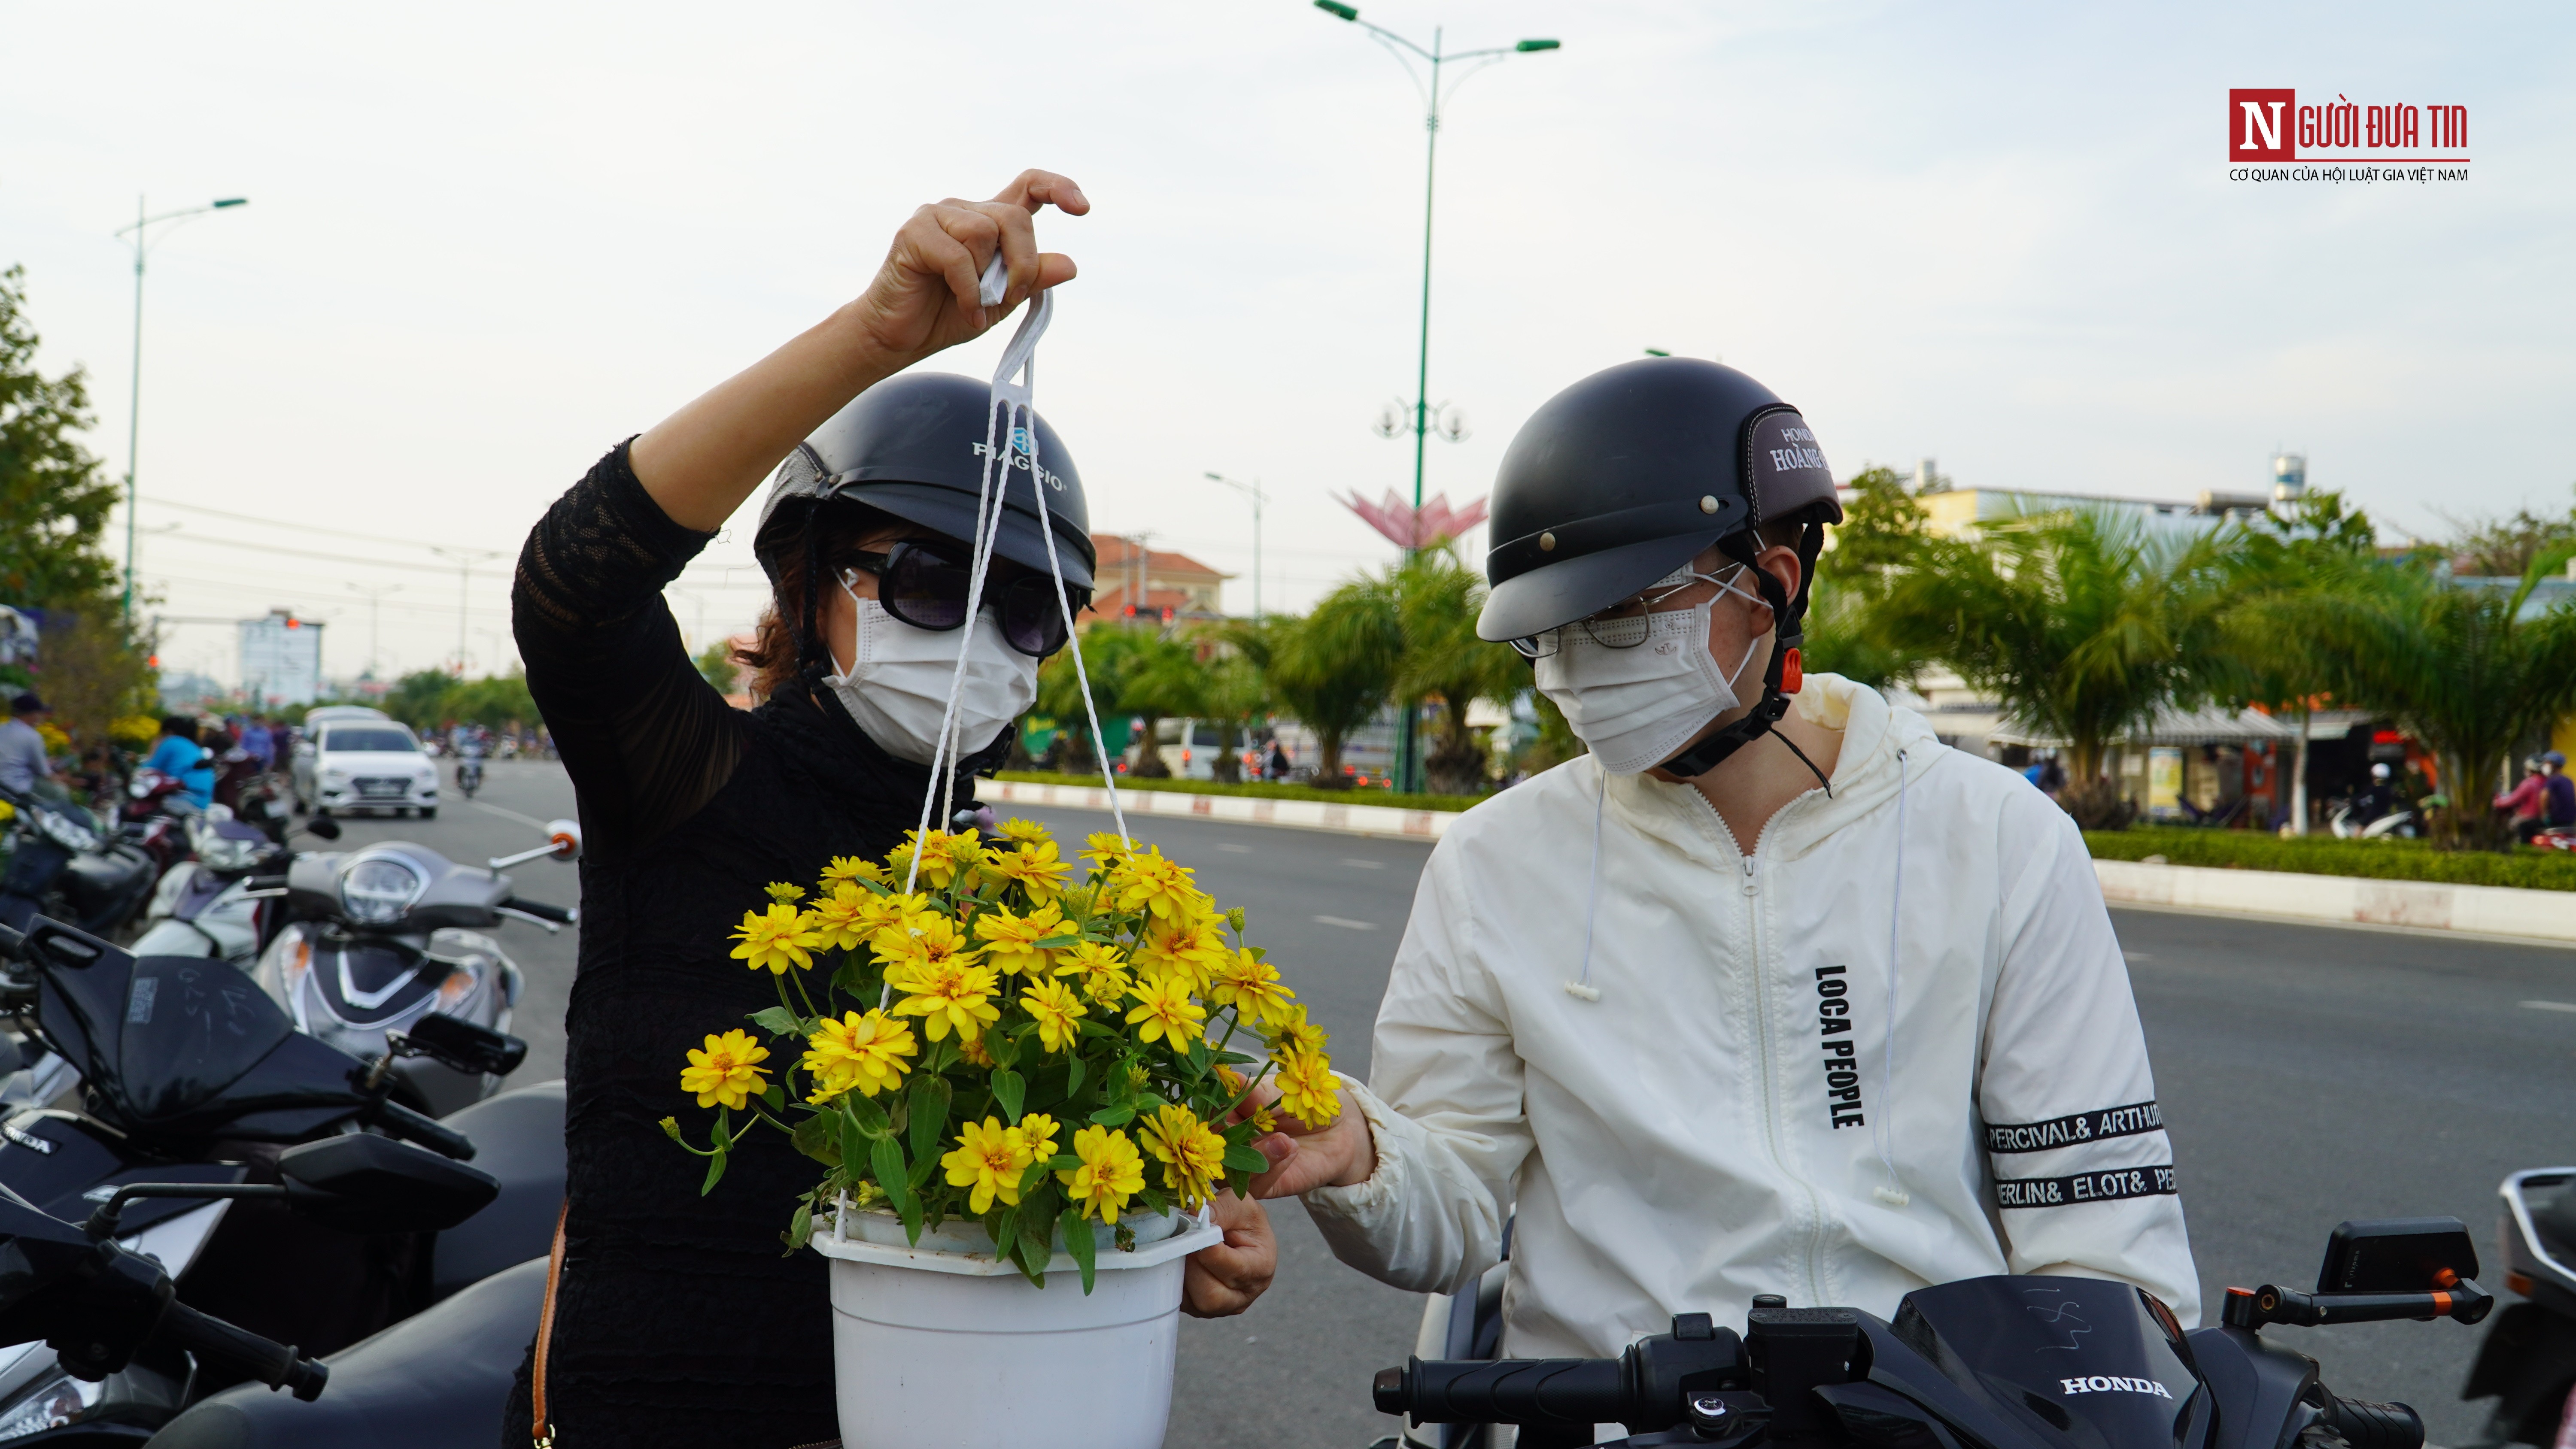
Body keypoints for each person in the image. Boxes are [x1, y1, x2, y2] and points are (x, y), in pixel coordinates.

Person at [1243, 360, 2198, 1422]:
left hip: (1929, 1423)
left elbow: (2099, 1243)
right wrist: (1363, 1151)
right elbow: (1454, 1208)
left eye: (1620, 615)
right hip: (1614, 1419)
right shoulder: (1495, 862)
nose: (1573, 669)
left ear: (1772, 585)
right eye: (1546, 637)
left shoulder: (1995, 838)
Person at [503, 170, 1273, 1446]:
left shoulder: (1008, 917)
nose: (980, 636)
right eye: (926, 578)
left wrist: (1165, 1236)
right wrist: (874, 337)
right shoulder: (687, 783)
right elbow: (575, 584)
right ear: (809, 581)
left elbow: (1002, 1216)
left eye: (1029, 611)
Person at [142, 717, 216, 808]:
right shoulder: (195, 749)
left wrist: (153, 751)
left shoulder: (171, 742)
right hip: (202, 804)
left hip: (180, 801)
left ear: (168, 732)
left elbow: (147, 772)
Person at [0, 693, 61, 801]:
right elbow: (45, 773)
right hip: (15, 790)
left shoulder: (2, 728)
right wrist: (66, 779)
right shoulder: (33, 736)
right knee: (59, 792)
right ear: (32, 714)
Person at [2499, 758, 2551, 843]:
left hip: (2528, 817)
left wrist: (2497, 802)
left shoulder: (2529, 783)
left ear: (2530, 769)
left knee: (2509, 826)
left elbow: (2513, 800)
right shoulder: (2547, 782)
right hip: (2543, 818)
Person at [2546, 752, 2576, 831]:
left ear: (2554, 766)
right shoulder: (2568, 780)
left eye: (2547, 763)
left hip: (2556, 820)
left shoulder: (2552, 780)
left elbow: (2544, 797)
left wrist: (2544, 816)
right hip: (2570, 820)